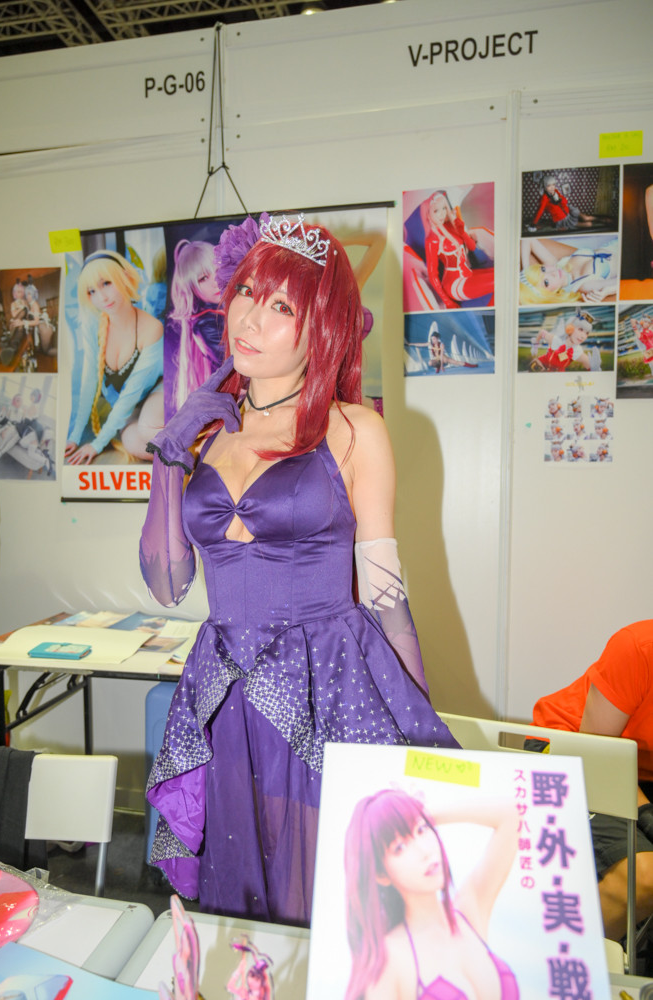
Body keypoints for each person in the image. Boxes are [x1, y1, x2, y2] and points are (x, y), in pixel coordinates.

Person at [140, 214, 459, 926]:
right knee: (235, 894)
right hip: (222, 690)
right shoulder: (207, 431)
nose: (249, 318)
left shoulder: (353, 429)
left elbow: (386, 595)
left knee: (324, 891)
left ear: (323, 328)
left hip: (327, 687)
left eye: (282, 305)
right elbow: (167, 583)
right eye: (246, 292)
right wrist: (168, 455)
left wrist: (417, 723)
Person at [532, 621, 653, 946]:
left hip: (637, 771)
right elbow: (596, 757)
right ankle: (555, 962)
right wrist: (646, 814)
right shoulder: (639, 646)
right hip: (570, 752)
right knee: (643, 877)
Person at [344, 788, 519, 1000]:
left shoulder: (468, 911)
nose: (424, 851)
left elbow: (513, 813)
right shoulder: (389, 960)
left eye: (422, 830)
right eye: (400, 847)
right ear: (381, 874)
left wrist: (422, 814)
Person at [65, 250, 164, 465]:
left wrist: (97, 444)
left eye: (106, 283)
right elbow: (89, 380)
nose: (102, 297)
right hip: (131, 406)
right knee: (133, 443)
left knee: (148, 428)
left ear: (125, 277)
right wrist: (75, 436)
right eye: (92, 291)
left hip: (158, 392)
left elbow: (132, 392)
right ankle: (188, 452)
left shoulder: (151, 328)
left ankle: (201, 445)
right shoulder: (94, 324)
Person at [167, 239, 224, 413]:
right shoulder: (207, 324)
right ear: (192, 288)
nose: (215, 281)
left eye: (217, 270)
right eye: (203, 278)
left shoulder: (227, 309)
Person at [423, 191, 494, 310]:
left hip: (468, 274)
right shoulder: (432, 239)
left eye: (444, 208)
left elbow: (472, 247)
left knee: (502, 274)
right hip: (454, 284)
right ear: (428, 213)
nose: (441, 214)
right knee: (500, 281)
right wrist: (447, 302)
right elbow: (432, 275)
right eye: (436, 211)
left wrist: (458, 226)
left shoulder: (451, 226)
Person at [520, 236, 618, 305]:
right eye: (546, 282)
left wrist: (526, 269)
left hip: (615, 242)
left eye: (543, 269)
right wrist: (608, 291)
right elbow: (619, 282)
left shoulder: (556, 265)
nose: (551, 273)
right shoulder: (583, 286)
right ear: (548, 295)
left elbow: (528, 239)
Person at [529, 309, 601, 372]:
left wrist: (594, 369)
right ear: (570, 328)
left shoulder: (577, 351)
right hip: (542, 362)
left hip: (557, 374)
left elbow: (589, 365)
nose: (583, 336)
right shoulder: (556, 340)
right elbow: (541, 332)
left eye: (587, 333)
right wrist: (535, 345)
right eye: (580, 329)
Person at [529, 175, 599, 232]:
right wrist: (534, 223)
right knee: (588, 224)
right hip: (562, 219)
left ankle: (600, 219)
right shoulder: (544, 198)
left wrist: (559, 199)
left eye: (553, 184)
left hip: (568, 210)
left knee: (586, 218)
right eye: (549, 185)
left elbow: (565, 201)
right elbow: (540, 211)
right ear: (544, 186)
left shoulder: (556, 191)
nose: (552, 187)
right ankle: (597, 224)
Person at [22, 284, 55, 355]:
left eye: (29, 294)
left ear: (34, 294)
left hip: (45, 329)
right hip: (42, 328)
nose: (27, 296)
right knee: (46, 351)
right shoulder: (31, 304)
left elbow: (36, 322)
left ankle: (67, 353)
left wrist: (23, 323)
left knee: (47, 351)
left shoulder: (35, 305)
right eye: (26, 294)